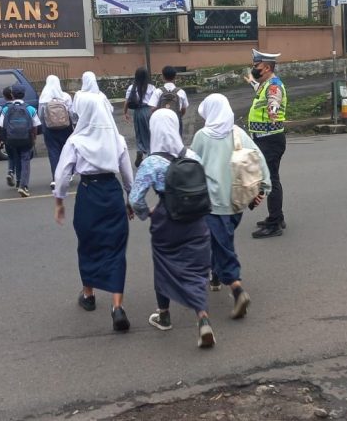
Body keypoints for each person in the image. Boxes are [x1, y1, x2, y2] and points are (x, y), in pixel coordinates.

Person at [129, 109, 216, 348]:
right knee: (196, 268)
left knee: (164, 265)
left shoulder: (151, 163)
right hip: (196, 220)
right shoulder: (193, 157)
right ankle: (203, 317)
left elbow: (135, 199)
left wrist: (148, 213)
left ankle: (164, 314)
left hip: (167, 221)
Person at [53, 92, 134, 332]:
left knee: (88, 244)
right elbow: (128, 176)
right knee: (116, 248)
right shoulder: (117, 139)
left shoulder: (76, 141)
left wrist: (59, 202)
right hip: (112, 193)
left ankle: (88, 294)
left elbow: (62, 174)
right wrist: (130, 200)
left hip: (89, 194)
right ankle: (117, 306)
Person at [190, 94, 270, 318]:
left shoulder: (201, 137)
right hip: (237, 201)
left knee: (223, 245)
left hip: (212, 203)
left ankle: (237, 287)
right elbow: (259, 159)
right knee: (222, 240)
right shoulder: (239, 133)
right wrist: (263, 188)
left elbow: (192, 167)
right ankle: (216, 274)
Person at [245, 49, 288, 239]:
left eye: (256, 66)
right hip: (265, 139)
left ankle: (274, 224)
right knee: (271, 179)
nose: (254, 68)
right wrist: (252, 81)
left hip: (270, 139)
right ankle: (277, 217)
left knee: (271, 180)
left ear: (267, 67)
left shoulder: (273, 87)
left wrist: (273, 111)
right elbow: (261, 94)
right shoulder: (265, 84)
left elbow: (273, 102)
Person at [0, 85, 41, 197]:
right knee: (25, 159)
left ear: (12, 95)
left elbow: (0, 125)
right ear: (24, 95)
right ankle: (23, 186)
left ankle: (18, 180)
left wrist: (1, 138)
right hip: (26, 138)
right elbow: (36, 125)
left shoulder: (6, 109)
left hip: (11, 139)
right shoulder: (30, 109)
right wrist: (34, 137)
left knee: (16, 157)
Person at [38, 75, 74, 191]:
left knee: (53, 153)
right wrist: (73, 123)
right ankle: (67, 175)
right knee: (67, 151)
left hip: (49, 129)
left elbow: (41, 115)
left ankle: (55, 178)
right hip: (65, 128)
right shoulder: (65, 97)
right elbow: (71, 112)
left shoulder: (43, 98)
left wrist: (44, 126)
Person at [123, 67, 156, 168]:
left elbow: (127, 102)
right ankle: (151, 153)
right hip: (149, 111)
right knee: (150, 133)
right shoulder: (152, 88)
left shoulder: (131, 88)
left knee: (139, 132)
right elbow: (155, 103)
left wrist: (125, 113)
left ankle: (139, 150)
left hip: (138, 112)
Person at [150, 65, 189, 135]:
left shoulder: (157, 91)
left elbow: (152, 109)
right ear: (175, 77)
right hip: (176, 120)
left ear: (163, 77)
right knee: (177, 141)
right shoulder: (181, 92)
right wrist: (177, 116)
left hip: (162, 122)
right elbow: (184, 109)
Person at [0, 85, 15, 187]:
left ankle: (10, 171)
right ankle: (20, 179)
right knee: (20, 156)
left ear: (4, 97)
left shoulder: (1, 108)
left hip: (7, 137)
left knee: (11, 155)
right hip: (22, 135)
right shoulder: (23, 106)